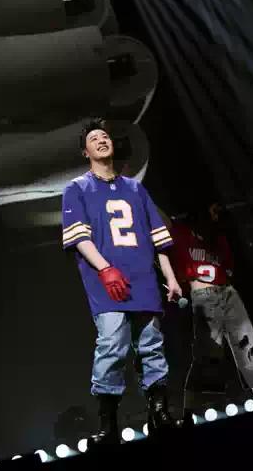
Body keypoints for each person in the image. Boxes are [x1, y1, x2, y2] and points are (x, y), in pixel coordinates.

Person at [61, 118, 183, 445]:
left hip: (143, 279)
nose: (102, 141)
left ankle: (159, 413)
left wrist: (170, 277)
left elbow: (159, 238)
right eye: (94, 139)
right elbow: (79, 238)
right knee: (112, 346)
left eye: (105, 137)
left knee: (151, 345)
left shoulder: (135, 188)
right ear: (85, 152)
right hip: (108, 284)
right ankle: (109, 426)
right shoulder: (77, 189)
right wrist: (105, 269)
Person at [167, 202, 253, 420]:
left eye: (218, 213)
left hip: (227, 292)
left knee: (248, 346)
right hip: (204, 294)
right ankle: (188, 414)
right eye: (212, 212)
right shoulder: (181, 232)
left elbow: (228, 268)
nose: (216, 217)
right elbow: (160, 217)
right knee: (207, 355)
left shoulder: (218, 238)